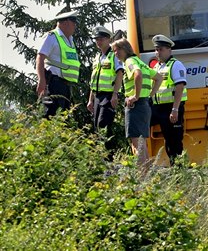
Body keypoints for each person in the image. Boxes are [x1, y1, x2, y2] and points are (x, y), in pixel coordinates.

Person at [110, 38, 162, 169]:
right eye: (114, 51)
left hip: (136, 106)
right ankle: (146, 176)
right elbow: (159, 78)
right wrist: (149, 95)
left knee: (136, 144)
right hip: (145, 105)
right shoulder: (140, 61)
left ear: (125, 49)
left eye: (118, 50)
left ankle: (140, 177)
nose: (116, 53)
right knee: (142, 144)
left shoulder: (129, 61)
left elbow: (137, 74)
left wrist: (136, 96)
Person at [150, 34, 188, 166]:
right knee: (168, 139)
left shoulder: (176, 65)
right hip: (159, 108)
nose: (157, 52)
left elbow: (180, 86)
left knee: (175, 140)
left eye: (161, 49)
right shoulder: (157, 67)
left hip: (171, 108)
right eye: (156, 49)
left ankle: (179, 169)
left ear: (169, 50)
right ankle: (173, 166)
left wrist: (175, 109)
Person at [36, 9, 80, 118]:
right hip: (54, 84)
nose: (75, 25)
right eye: (73, 22)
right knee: (51, 116)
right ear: (66, 23)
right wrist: (41, 80)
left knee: (62, 119)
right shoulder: (52, 37)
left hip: (65, 85)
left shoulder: (70, 39)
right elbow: (40, 58)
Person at [87, 26, 124, 157]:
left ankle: (109, 160)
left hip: (108, 96)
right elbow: (94, 81)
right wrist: (90, 99)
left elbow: (120, 74)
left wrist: (115, 94)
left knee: (104, 126)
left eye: (101, 39)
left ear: (108, 39)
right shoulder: (97, 57)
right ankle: (102, 160)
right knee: (97, 129)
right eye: (96, 39)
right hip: (97, 97)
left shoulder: (114, 56)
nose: (98, 42)